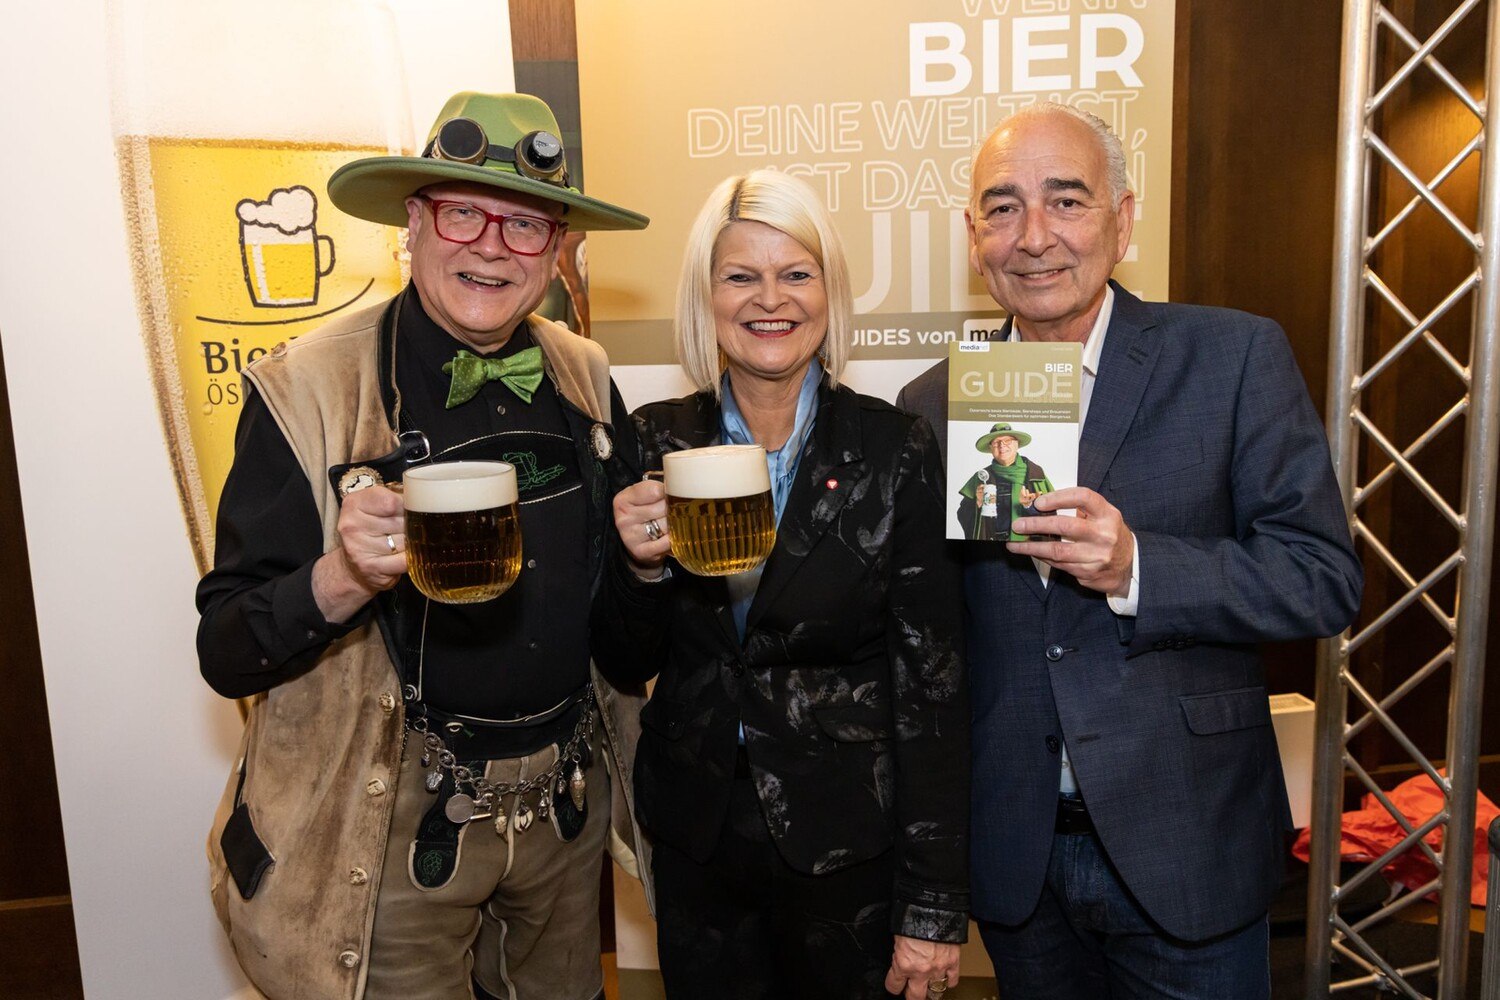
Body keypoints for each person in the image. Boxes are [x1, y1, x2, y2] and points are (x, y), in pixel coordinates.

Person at [898, 104, 1362, 998]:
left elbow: (1322, 578)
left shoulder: (1230, 357)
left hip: (1186, 842)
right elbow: (932, 648)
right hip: (1016, 857)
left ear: (1124, 216)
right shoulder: (933, 404)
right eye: (1002, 209)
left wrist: (1140, 566)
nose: (1033, 237)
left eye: (1066, 201)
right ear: (973, 235)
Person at [196, 92, 651, 1000]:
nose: (491, 245)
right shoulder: (305, 388)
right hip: (391, 829)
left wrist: (645, 565)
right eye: (462, 213)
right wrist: (341, 576)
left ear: (558, 251)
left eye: (525, 224)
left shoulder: (585, 374)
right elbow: (227, 649)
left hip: (563, 814)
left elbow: (623, 640)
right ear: (413, 223)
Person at [593, 169, 970, 1000]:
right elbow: (625, 657)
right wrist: (638, 566)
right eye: (741, 276)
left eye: (796, 273)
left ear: (829, 291)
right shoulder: (654, 440)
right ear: (707, 295)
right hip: (698, 841)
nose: (771, 299)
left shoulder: (892, 447)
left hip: (848, 843)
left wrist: (934, 902)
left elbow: (932, 688)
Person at [958, 422, 1053, 540]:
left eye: (1007, 441)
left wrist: (1029, 505)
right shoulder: (982, 477)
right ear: (990, 448)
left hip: (1027, 546)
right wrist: (977, 502)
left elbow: (1050, 514)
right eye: (996, 442)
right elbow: (962, 514)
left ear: (1017, 444)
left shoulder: (1035, 474)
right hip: (992, 545)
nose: (1002, 446)